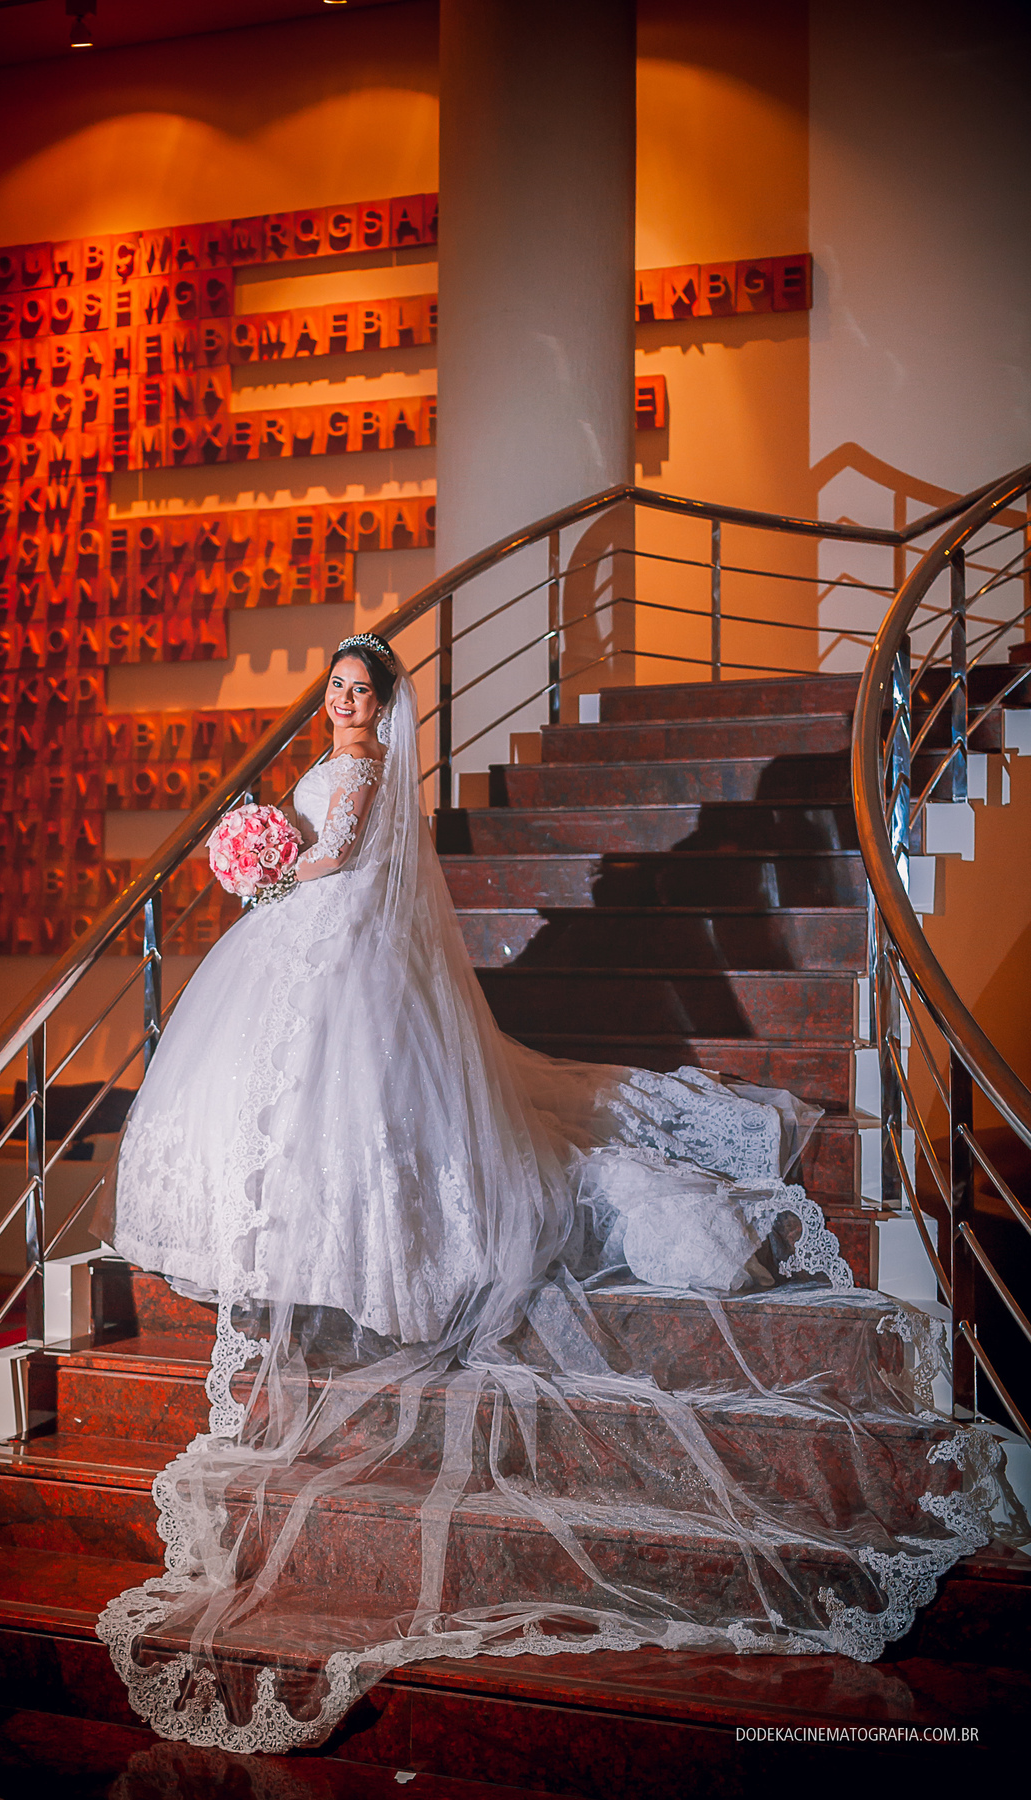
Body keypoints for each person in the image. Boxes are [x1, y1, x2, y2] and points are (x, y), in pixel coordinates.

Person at [98, 635, 993, 1753]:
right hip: (299, 939)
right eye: (334, 689)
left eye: (360, 692)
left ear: (384, 706)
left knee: (350, 1104)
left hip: (326, 928)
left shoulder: (368, 768)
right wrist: (267, 863)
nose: (343, 705)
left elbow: (344, 855)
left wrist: (267, 867)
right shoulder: (340, 751)